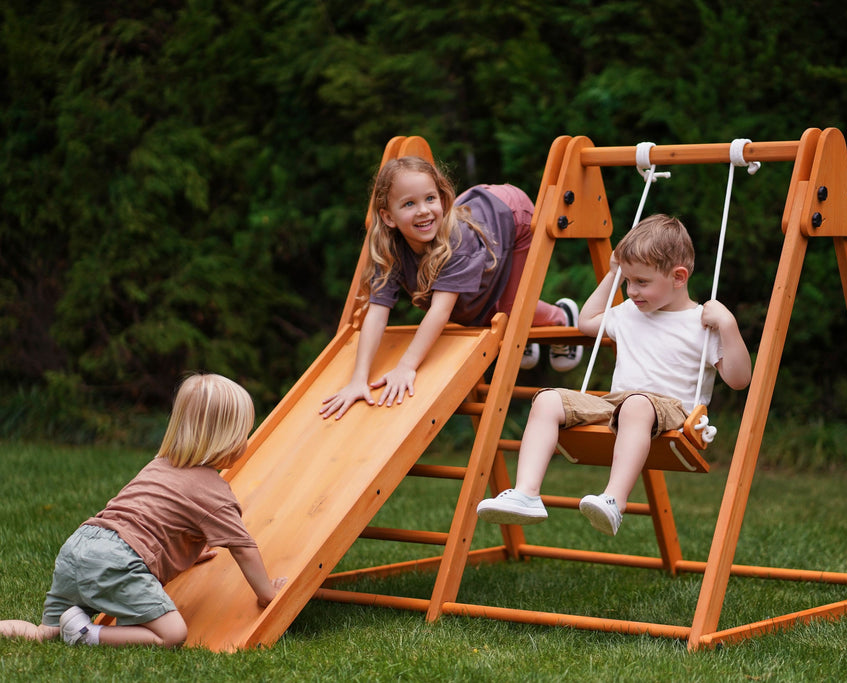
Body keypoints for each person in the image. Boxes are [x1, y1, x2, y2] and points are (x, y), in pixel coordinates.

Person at [477, 214, 752, 535]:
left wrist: (728, 325)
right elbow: (586, 321)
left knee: (636, 405)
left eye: (642, 282)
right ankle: (526, 493)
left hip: (674, 412)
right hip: (618, 406)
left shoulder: (702, 322)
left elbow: (738, 379)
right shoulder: (628, 313)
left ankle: (614, 500)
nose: (632, 290)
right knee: (547, 400)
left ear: (679, 277)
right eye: (628, 281)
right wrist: (612, 274)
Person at [0, 373, 287, 648]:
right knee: (172, 634)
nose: (246, 442)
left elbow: (150, 519)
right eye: (243, 434)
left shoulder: (158, 465)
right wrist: (266, 594)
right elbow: (243, 547)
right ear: (226, 438)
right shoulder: (214, 492)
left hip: (79, 546)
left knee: (46, 632)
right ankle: (89, 634)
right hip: (116, 563)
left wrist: (187, 554)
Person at [320, 156, 581, 420]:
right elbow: (376, 312)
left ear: (441, 199)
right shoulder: (388, 247)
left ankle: (561, 317)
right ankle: (525, 328)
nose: (423, 210)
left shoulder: (455, 238)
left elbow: (440, 311)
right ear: (388, 217)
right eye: (409, 203)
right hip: (481, 210)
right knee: (480, 310)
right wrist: (358, 379)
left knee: (509, 312)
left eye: (430, 199)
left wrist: (406, 366)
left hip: (512, 214)